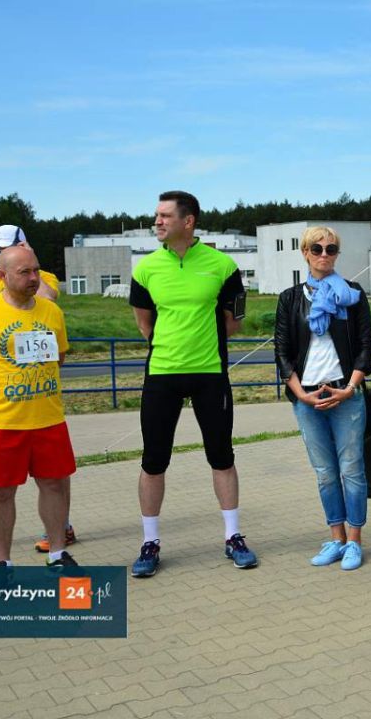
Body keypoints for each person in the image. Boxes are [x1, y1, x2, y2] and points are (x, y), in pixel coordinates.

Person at [128, 191, 257, 577]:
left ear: (189, 221)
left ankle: (233, 536)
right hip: (162, 374)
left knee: (222, 456)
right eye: (156, 215)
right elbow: (143, 323)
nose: (157, 222)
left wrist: (204, 344)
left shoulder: (223, 265)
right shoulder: (146, 268)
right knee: (153, 461)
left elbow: (235, 319)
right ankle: (150, 542)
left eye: (165, 216)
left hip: (210, 374)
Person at [0, 225, 76, 555]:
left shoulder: (46, 289)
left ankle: (58, 549)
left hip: (47, 416)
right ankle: (2, 563)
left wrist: (27, 263)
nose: (32, 276)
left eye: (34, 269)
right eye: (24, 272)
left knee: (54, 483)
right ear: (1, 272)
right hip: (2, 417)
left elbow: (58, 355)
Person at [275, 226, 371, 571]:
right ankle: (337, 538)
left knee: (352, 470)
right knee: (325, 473)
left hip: (345, 393)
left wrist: (350, 387)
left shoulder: (353, 294)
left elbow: (366, 347)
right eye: (316, 249)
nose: (323, 255)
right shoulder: (290, 298)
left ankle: (355, 541)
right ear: (305, 253)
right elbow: (282, 352)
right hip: (308, 397)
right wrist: (301, 395)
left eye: (330, 249)